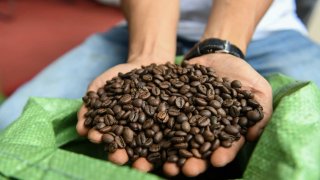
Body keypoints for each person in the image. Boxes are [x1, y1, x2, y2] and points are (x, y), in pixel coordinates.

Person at [0, 0, 319, 177]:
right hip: (138, 31)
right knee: (8, 128)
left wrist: (221, 48)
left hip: (269, 32)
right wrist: (148, 55)